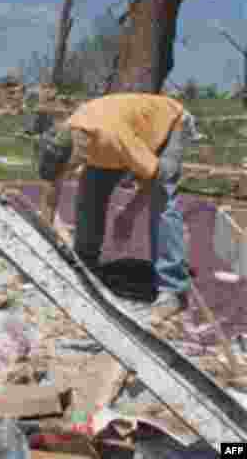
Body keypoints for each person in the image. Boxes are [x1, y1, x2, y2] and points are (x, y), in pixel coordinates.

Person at [36, 92, 196, 322]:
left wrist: (128, 214)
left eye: (69, 169)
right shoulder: (66, 138)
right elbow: (50, 193)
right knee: (89, 191)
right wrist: (53, 231)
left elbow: (154, 180)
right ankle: (85, 265)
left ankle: (173, 291)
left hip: (169, 126)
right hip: (117, 134)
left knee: (162, 200)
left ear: (79, 152)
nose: (67, 175)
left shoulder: (114, 139)